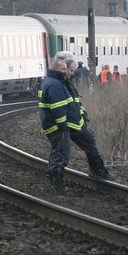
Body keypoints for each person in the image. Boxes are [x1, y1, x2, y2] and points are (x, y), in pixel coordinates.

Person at [62, 57, 112, 179]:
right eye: (72, 70)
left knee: (89, 142)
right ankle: (99, 171)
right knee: (89, 144)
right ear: (65, 69)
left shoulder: (67, 83)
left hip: (76, 122)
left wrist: (83, 115)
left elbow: (76, 102)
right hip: (71, 124)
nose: (73, 73)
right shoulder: (62, 84)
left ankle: (97, 171)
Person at [39, 57, 76, 196]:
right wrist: (63, 125)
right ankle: (59, 186)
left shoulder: (50, 82)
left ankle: (54, 180)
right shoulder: (55, 84)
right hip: (57, 127)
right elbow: (58, 107)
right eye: (63, 69)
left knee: (57, 152)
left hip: (52, 125)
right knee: (62, 154)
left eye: (66, 68)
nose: (66, 71)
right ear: (55, 69)